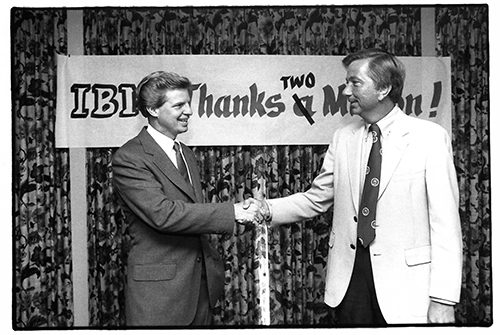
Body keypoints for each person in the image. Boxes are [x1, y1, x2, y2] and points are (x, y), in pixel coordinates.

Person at [253, 49, 463, 325]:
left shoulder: (429, 138)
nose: (345, 91)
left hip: (408, 289)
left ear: (383, 88)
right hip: (349, 285)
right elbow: (317, 198)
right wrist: (266, 209)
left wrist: (444, 299)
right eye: (346, 83)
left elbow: (446, 224)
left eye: (355, 83)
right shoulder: (343, 138)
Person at [112, 71, 264, 326]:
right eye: (179, 105)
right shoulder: (129, 158)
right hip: (159, 296)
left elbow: (190, 213)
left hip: (199, 291)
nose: (189, 111)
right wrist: (233, 212)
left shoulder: (185, 152)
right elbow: (163, 214)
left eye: (189, 103)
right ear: (152, 109)